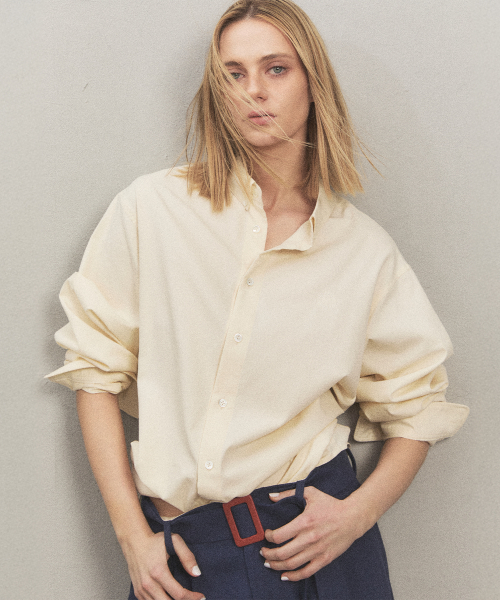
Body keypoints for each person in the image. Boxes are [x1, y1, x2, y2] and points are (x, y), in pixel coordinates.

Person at [46, 1, 469, 599]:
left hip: (317, 549)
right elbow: (95, 370)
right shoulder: (151, 211)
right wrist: (133, 537)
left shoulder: (362, 252)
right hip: (190, 555)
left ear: (313, 82)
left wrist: (358, 514)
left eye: (276, 68)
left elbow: (418, 405)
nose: (254, 92)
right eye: (233, 73)